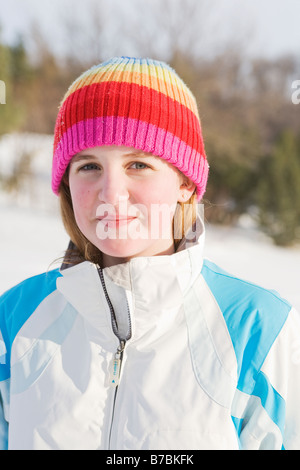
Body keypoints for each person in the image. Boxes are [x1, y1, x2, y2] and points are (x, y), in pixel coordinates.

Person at [0, 56, 299, 451]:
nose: (111, 193)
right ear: (67, 185)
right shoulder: (16, 319)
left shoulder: (257, 329)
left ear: (185, 185)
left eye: (138, 164)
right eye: (89, 166)